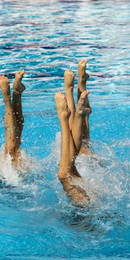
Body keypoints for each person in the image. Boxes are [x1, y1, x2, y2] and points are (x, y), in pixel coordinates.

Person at [54, 60, 92, 206]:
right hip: (89, 206)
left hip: (90, 204)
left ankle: (74, 91)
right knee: (66, 172)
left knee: (84, 142)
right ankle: (69, 111)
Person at [0, 70, 26, 168]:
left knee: (12, 151)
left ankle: (12, 94)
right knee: (12, 152)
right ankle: (14, 93)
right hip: (10, 177)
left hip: (8, 178)